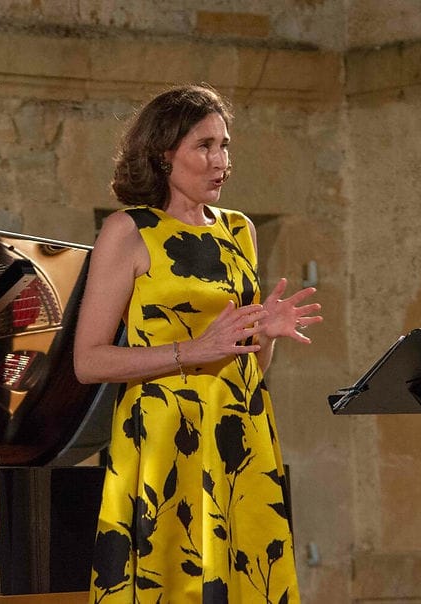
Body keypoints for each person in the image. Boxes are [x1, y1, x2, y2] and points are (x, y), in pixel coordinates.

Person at [74, 83, 322, 604]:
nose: (221, 161)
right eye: (205, 146)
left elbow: (246, 358)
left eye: (225, 145)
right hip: (165, 437)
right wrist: (192, 351)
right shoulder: (129, 231)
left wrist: (263, 336)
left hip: (241, 430)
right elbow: (88, 361)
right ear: (164, 156)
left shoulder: (240, 230)